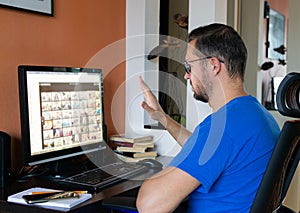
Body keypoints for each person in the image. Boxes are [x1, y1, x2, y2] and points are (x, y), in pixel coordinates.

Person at [136, 23, 280, 213]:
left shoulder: (222, 128)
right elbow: (211, 150)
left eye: (189, 66)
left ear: (213, 65)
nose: (187, 75)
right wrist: (162, 118)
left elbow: (148, 205)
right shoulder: (255, 114)